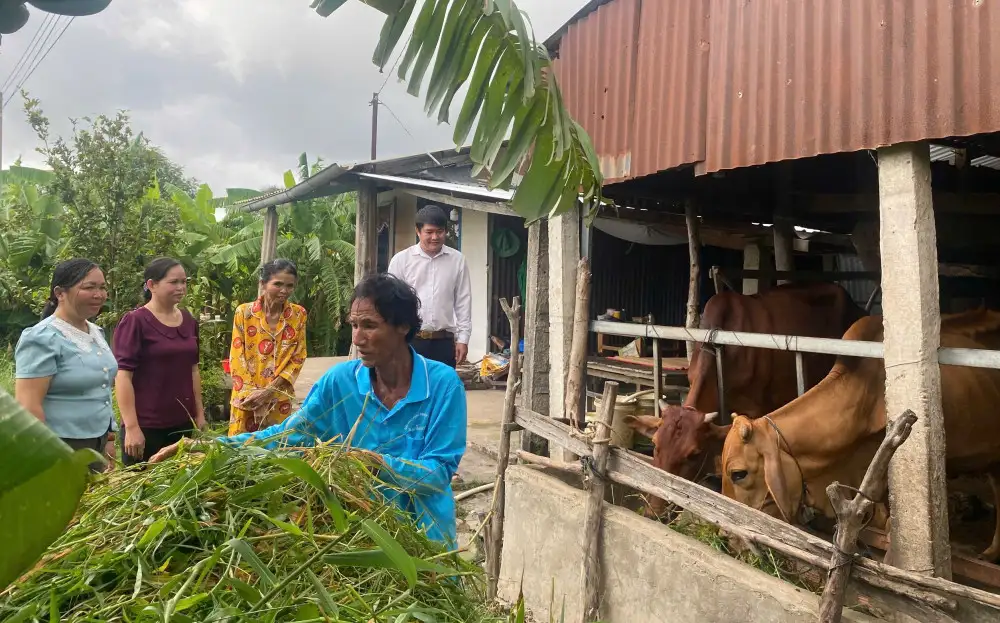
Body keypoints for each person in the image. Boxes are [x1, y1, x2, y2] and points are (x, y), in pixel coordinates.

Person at [150, 273, 467, 547]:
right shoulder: (339, 383)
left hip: (426, 537)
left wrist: (374, 463)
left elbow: (438, 473)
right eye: (354, 325)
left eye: (369, 326)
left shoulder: (442, 385)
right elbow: (285, 436)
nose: (358, 338)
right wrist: (210, 447)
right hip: (360, 533)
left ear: (403, 327)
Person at [14, 259, 118, 472]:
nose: (99, 294)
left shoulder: (96, 333)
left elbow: (102, 389)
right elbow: (28, 406)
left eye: (102, 287)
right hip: (61, 446)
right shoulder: (42, 338)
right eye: (89, 287)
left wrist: (109, 438)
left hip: (96, 442)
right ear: (60, 293)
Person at [113, 257, 205, 465]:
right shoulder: (135, 321)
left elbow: (193, 370)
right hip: (146, 426)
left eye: (184, 282)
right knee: (141, 483)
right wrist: (132, 427)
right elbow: (123, 375)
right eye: (174, 282)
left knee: (179, 481)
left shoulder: (188, 320)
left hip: (181, 424)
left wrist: (199, 414)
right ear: (151, 285)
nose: (181, 287)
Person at [227, 258, 308, 435]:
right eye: (278, 284)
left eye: (289, 286)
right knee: (241, 447)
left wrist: (268, 393)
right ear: (263, 283)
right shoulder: (244, 313)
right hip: (246, 399)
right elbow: (237, 356)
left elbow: (298, 357)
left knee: (275, 445)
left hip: (279, 399)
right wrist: (254, 398)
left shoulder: (298, 315)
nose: (284, 290)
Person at [387, 204, 472, 368]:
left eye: (440, 231)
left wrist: (463, 339)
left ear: (445, 231)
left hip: (444, 342)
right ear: (418, 231)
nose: (435, 237)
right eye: (429, 232)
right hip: (410, 341)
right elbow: (391, 303)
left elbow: (463, 301)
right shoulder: (401, 260)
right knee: (410, 384)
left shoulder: (457, 260)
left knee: (443, 384)